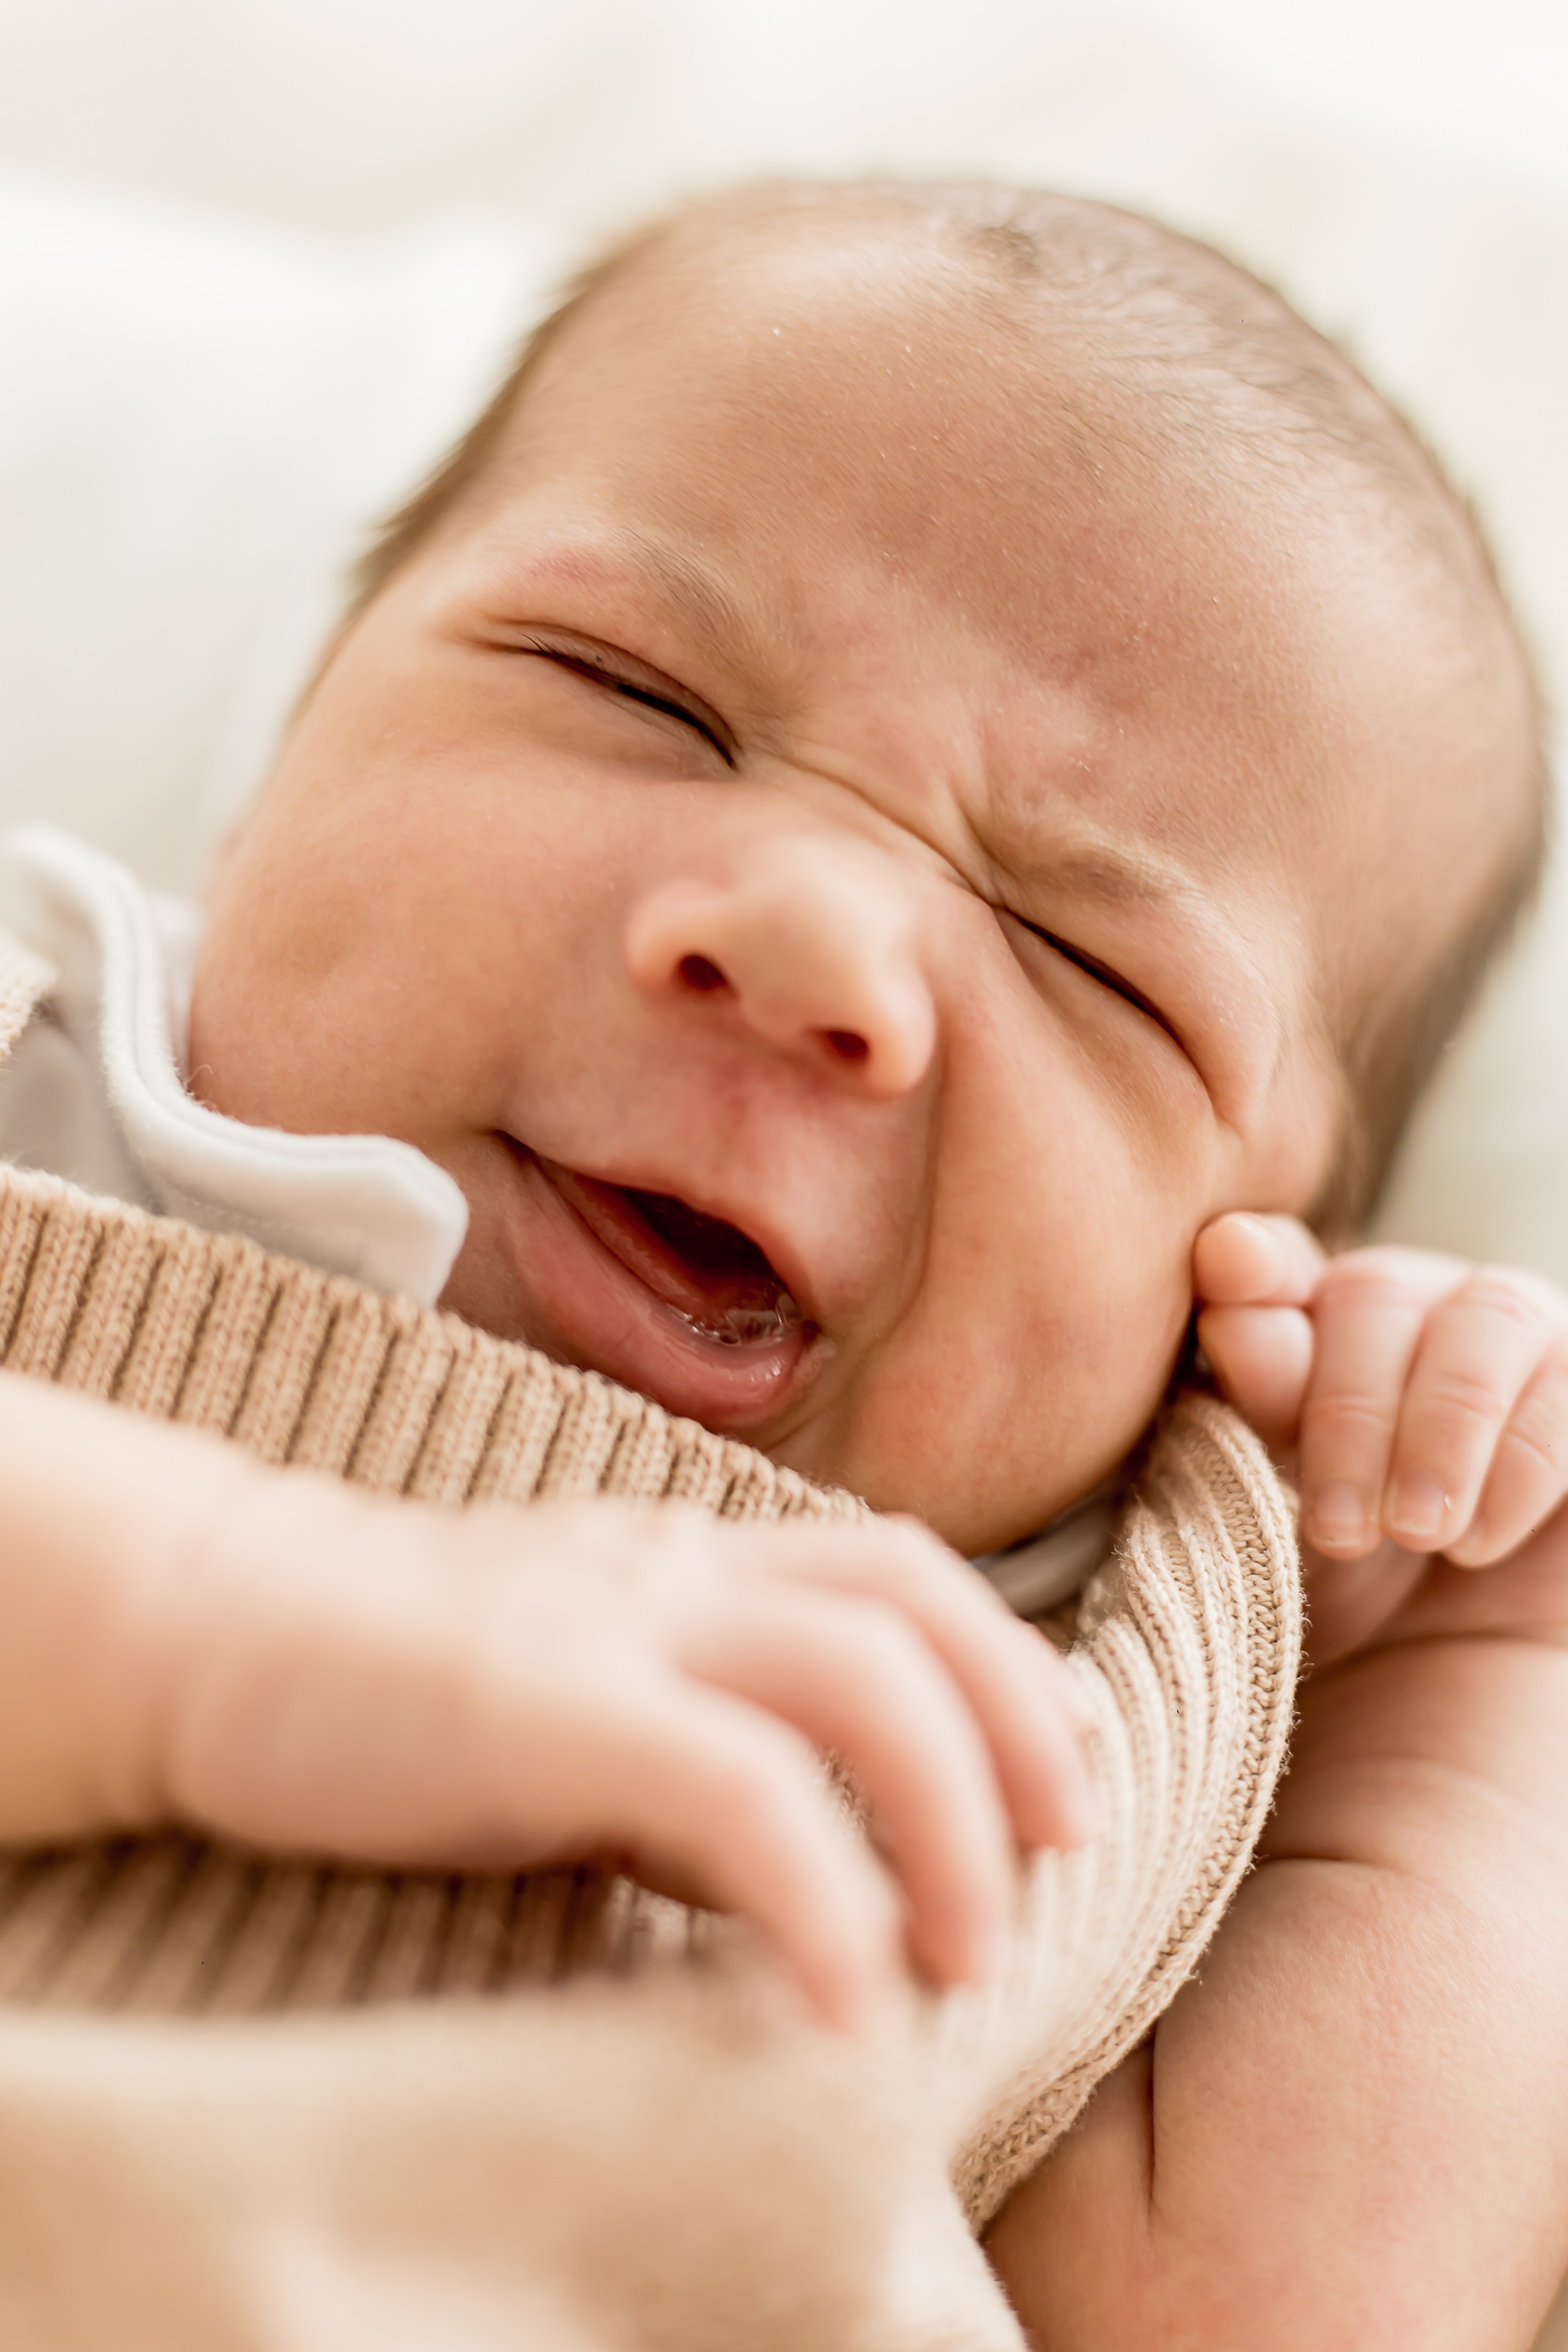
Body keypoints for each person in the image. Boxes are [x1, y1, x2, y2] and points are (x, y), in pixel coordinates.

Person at [1, 178, 1566, 2340]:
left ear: (1249, 1259)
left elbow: (1278, 2313)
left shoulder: (1139, 1665)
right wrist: (230, 1624)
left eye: (1084, 961)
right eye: (628, 688)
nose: (815, 940)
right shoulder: (32, 1044)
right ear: (272, 785)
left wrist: (1492, 1685)